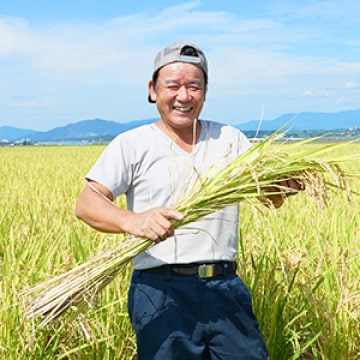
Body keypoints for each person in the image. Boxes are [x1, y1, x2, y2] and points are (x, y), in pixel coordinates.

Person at [75, 41, 302, 359]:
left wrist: (285, 184)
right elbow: (87, 204)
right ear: (153, 90)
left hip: (224, 287)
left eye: (194, 86)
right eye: (173, 86)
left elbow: (270, 199)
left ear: (205, 92)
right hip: (160, 290)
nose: (184, 96)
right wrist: (134, 221)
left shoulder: (230, 140)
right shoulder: (132, 144)